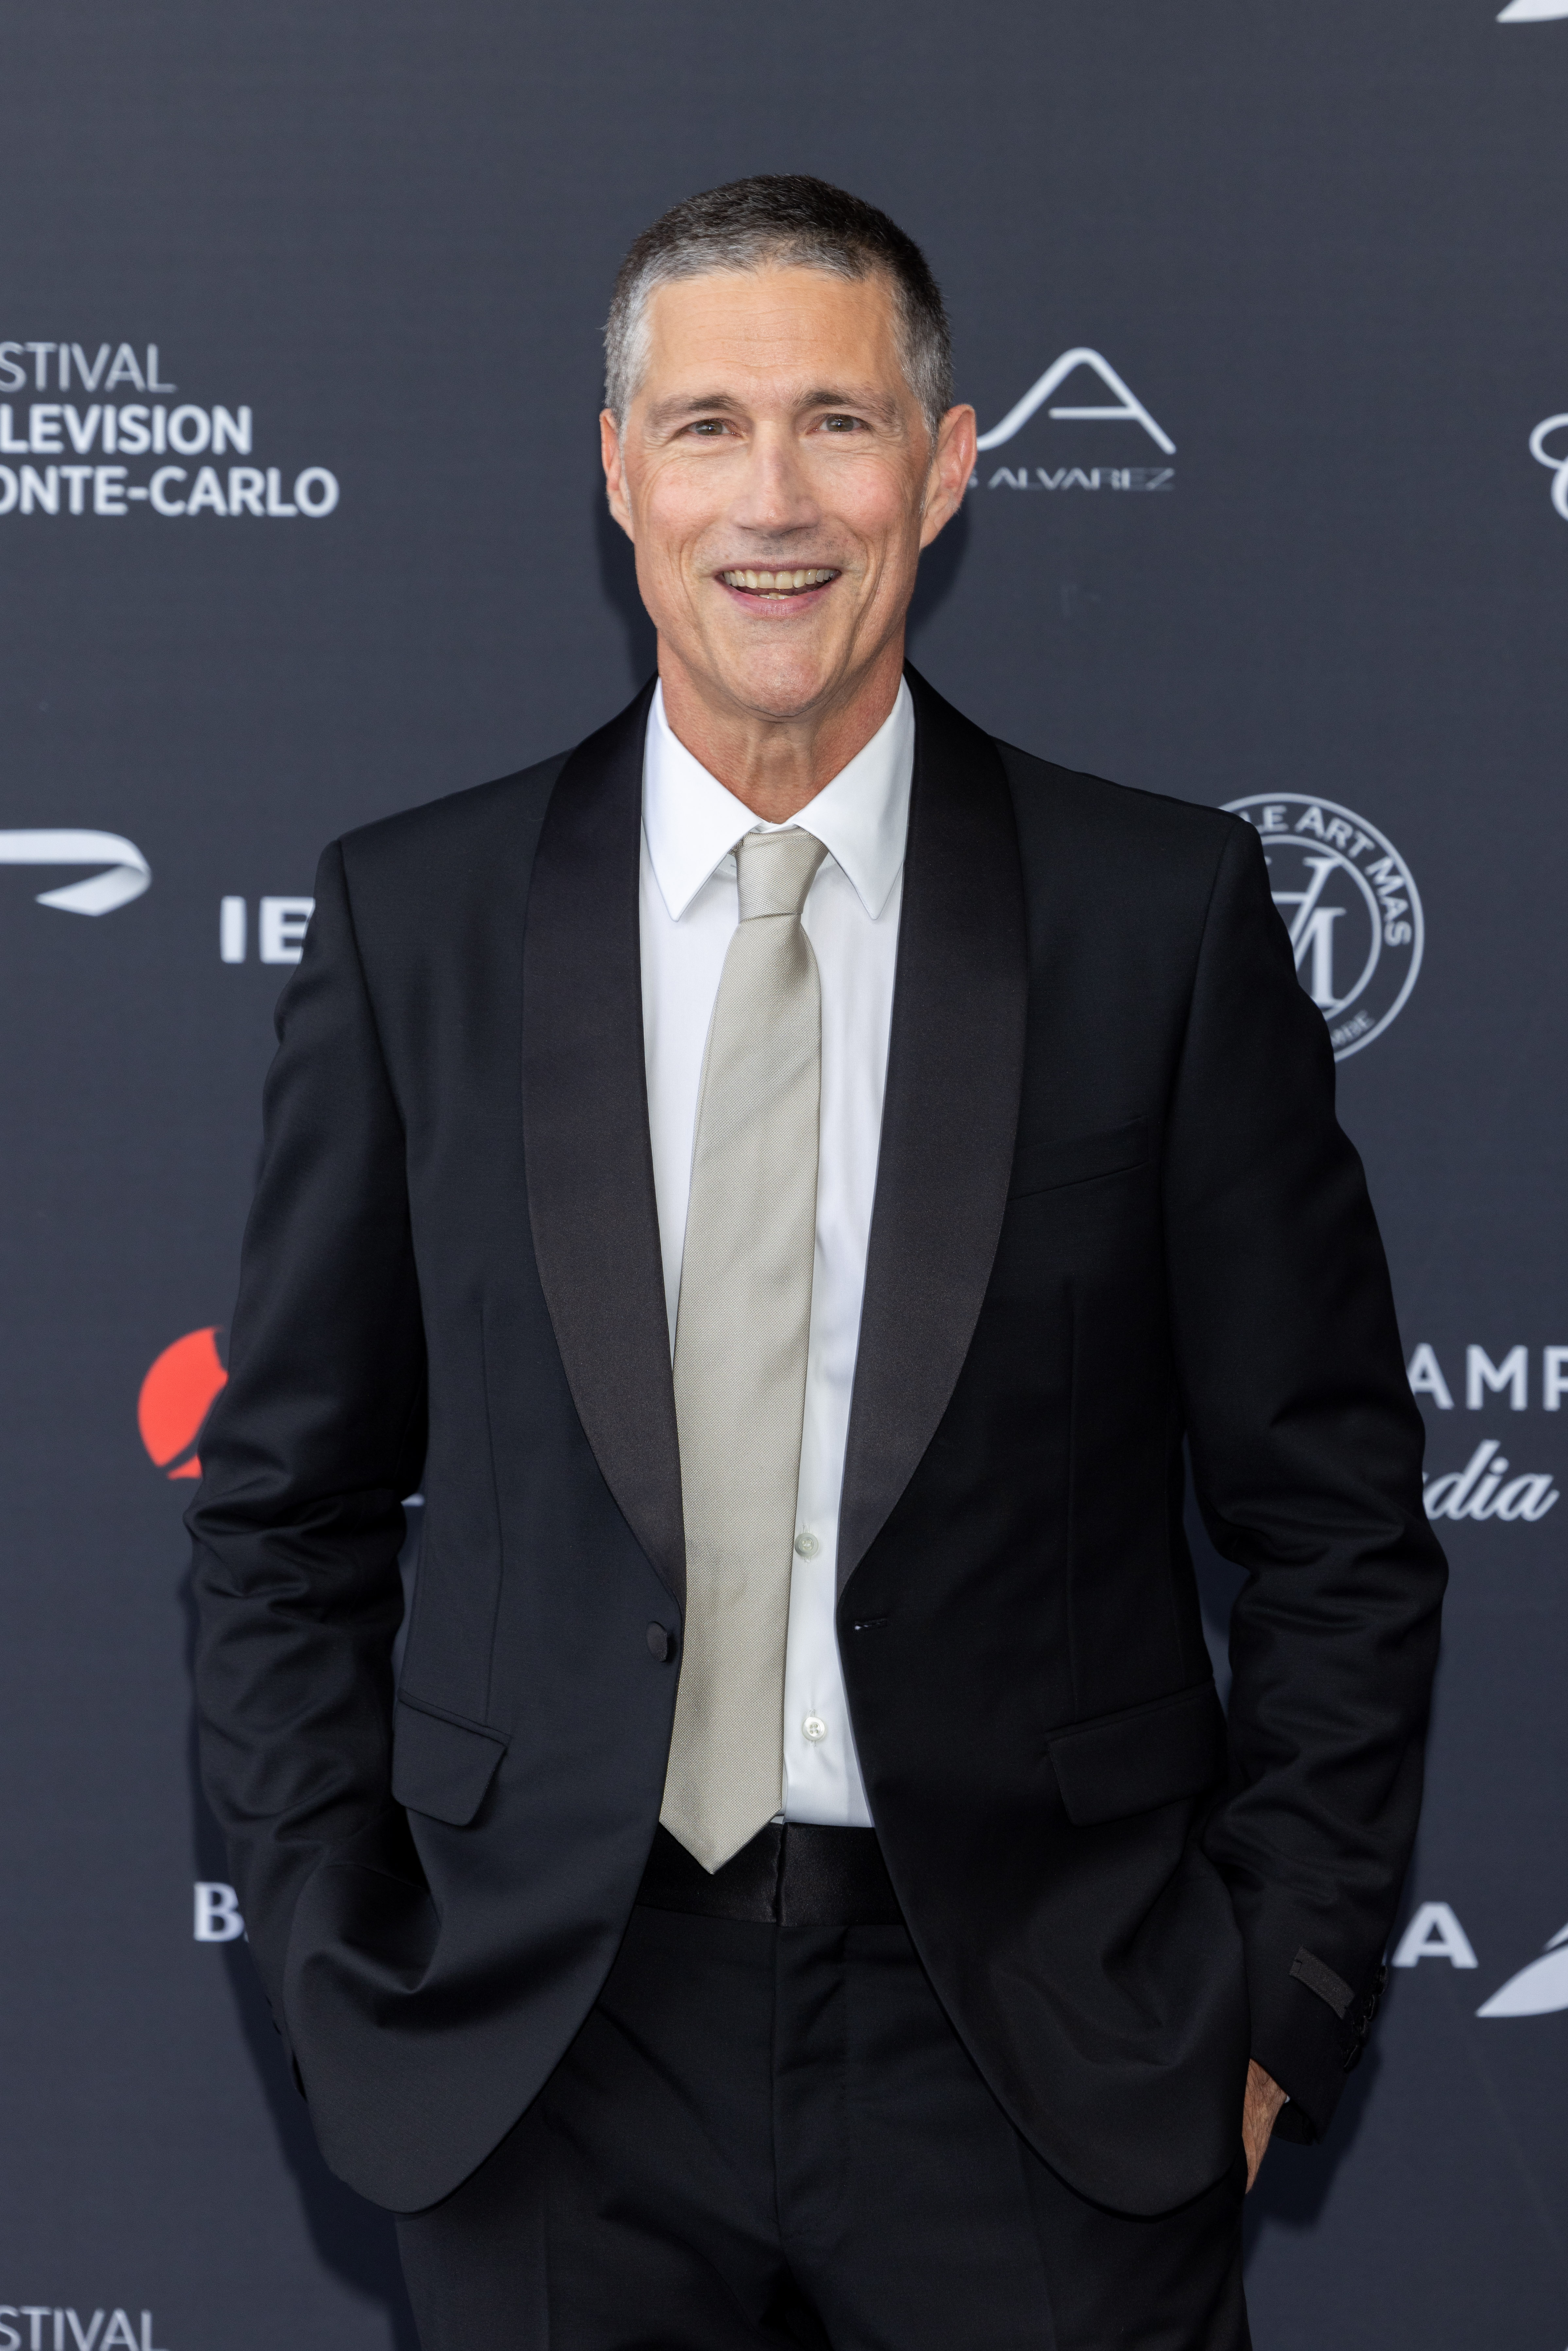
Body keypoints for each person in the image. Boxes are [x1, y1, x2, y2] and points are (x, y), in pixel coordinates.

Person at [189, 175, 1446, 2351]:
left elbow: (1336, 1521)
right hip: (546, 2052)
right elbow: (286, 1512)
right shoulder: (420, 924)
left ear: (948, 471)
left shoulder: (1160, 924)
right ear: (617, 474)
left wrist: (1271, 2008)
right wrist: (334, 1963)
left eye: (839, 425)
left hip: (1046, 2046)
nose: (775, 500)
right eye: (706, 428)